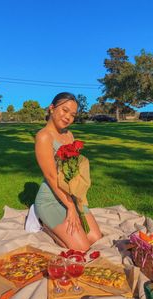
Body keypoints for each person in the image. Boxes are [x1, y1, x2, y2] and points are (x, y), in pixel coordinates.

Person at [34, 92, 102, 251]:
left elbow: (71, 169)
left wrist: (78, 197)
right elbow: (51, 177)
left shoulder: (69, 134)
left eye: (72, 115)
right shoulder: (44, 136)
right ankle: (45, 226)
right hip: (51, 198)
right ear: (52, 108)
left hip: (70, 194)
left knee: (95, 238)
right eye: (64, 110)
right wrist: (71, 208)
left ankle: (61, 229)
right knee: (82, 248)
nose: (68, 117)